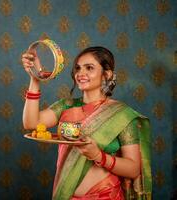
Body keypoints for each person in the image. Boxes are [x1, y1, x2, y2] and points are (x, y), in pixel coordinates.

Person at [21, 46, 152, 199]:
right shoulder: (66, 106)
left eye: (89, 68)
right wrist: (35, 78)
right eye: (77, 68)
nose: (80, 74)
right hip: (67, 195)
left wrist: (98, 156)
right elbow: (31, 123)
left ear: (106, 74)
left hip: (106, 196)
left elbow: (134, 169)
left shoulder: (121, 114)